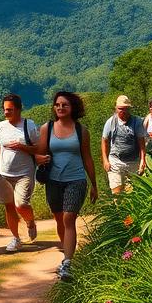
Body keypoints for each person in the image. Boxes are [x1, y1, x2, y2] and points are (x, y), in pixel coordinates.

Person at [36, 91, 98, 280]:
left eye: (65, 105)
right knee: (59, 218)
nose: (60, 108)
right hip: (53, 181)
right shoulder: (47, 128)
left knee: (69, 219)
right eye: (57, 105)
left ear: (73, 108)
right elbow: (38, 154)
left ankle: (68, 263)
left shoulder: (81, 131)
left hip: (76, 180)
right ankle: (67, 255)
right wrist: (40, 158)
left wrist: (94, 184)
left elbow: (87, 158)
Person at [0, 93, 39, 252]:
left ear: (19, 109)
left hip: (24, 173)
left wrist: (22, 147)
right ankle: (16, 238)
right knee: (9, 206)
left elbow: (39, 148)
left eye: (10, 109)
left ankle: (30, 222)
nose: (6, 112)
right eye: (4, 109)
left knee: (21, 204)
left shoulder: (29, 125)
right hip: (3, 174)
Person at [101, 95, 147, 195]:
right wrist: (105, 160)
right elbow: (104, 141)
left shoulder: (137, 122)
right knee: (117, 192)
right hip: (115, 161)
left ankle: (131, 210)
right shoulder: (110, 122)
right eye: (120, 109)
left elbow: (141, 143)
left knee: (135, 192)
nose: (123, 111)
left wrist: (143, 160)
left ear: (129, 109)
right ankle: (117, 210)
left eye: (125, 109)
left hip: (133, 161)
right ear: (116, 108)